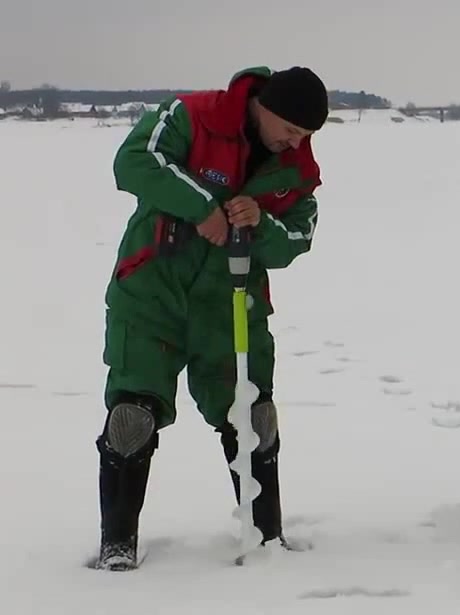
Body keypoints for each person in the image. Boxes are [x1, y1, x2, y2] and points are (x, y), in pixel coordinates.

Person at [95, 66, 328, 570]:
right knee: (131, 417)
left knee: (253, 417)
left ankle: (265, 539)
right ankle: (117, 543)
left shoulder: (299, 171)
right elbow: (134, 161)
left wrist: (259, 223)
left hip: (232, 306)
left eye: (305, 136)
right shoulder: (192, 116)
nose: (295, 143)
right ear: (266, 107)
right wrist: (203, 207)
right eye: (290, 130)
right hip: (152, 293)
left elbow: (297, 238)